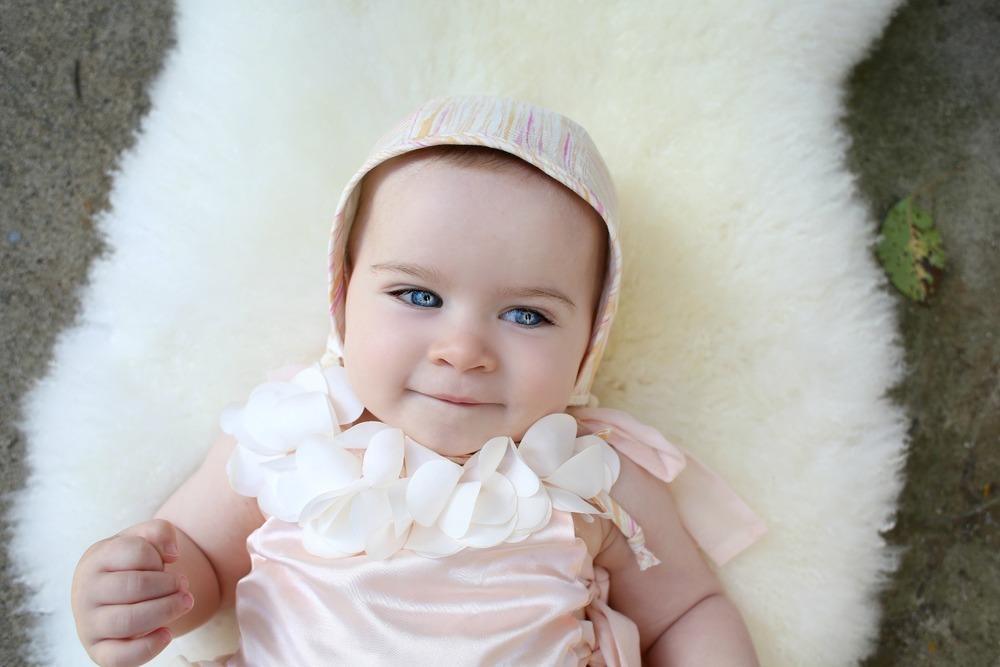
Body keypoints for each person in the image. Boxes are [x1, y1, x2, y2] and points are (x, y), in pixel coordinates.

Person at [71, 94, 768, 666]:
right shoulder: (292, 431)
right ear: (343, 298)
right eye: (419, 296)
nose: (463, 350)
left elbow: (686, 608)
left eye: (527, 313)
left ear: (591, 340)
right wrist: (133, 587)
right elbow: (195, 558)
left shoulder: (593, 477)